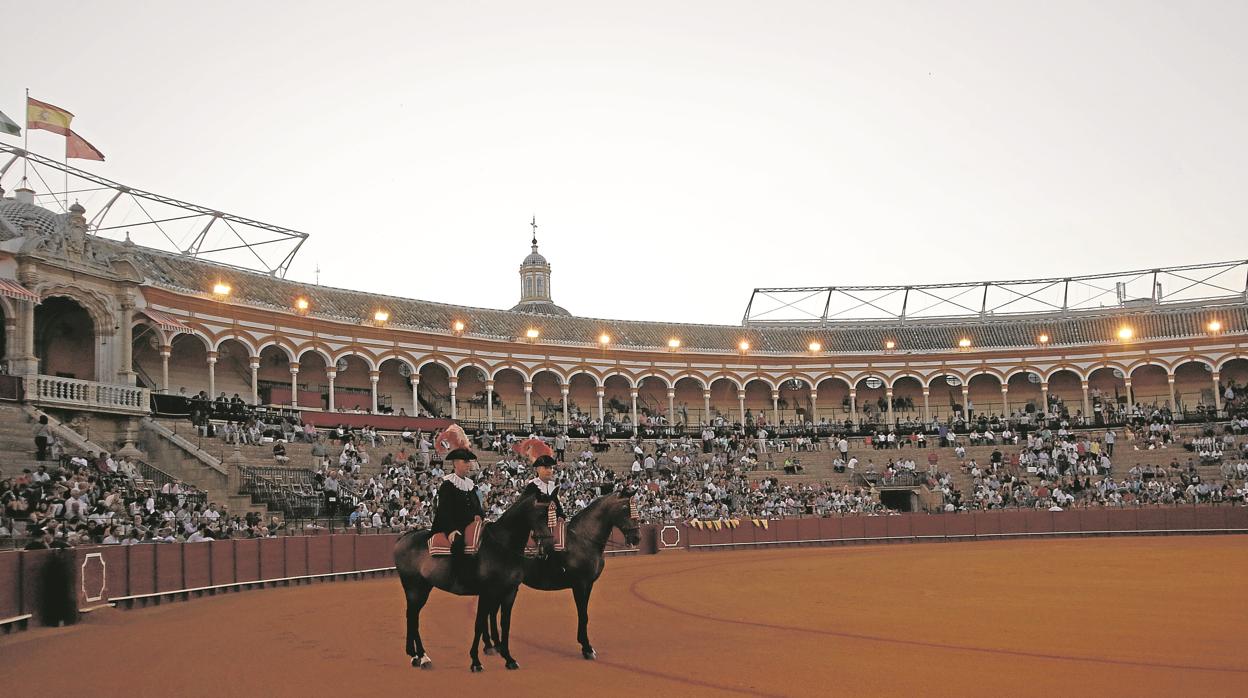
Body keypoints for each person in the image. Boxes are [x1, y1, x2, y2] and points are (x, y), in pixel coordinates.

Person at [430, 425, 484, 557]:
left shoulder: (471, 485)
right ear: (455, 463)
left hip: (470, 526)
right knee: (459, 543)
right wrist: (451, 530)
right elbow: (443, 511)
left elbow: (478, 508)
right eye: (465, 461)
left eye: (469, 462)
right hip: (452, 527)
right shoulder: (448, 485)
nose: (469, 465)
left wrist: (481, 517)